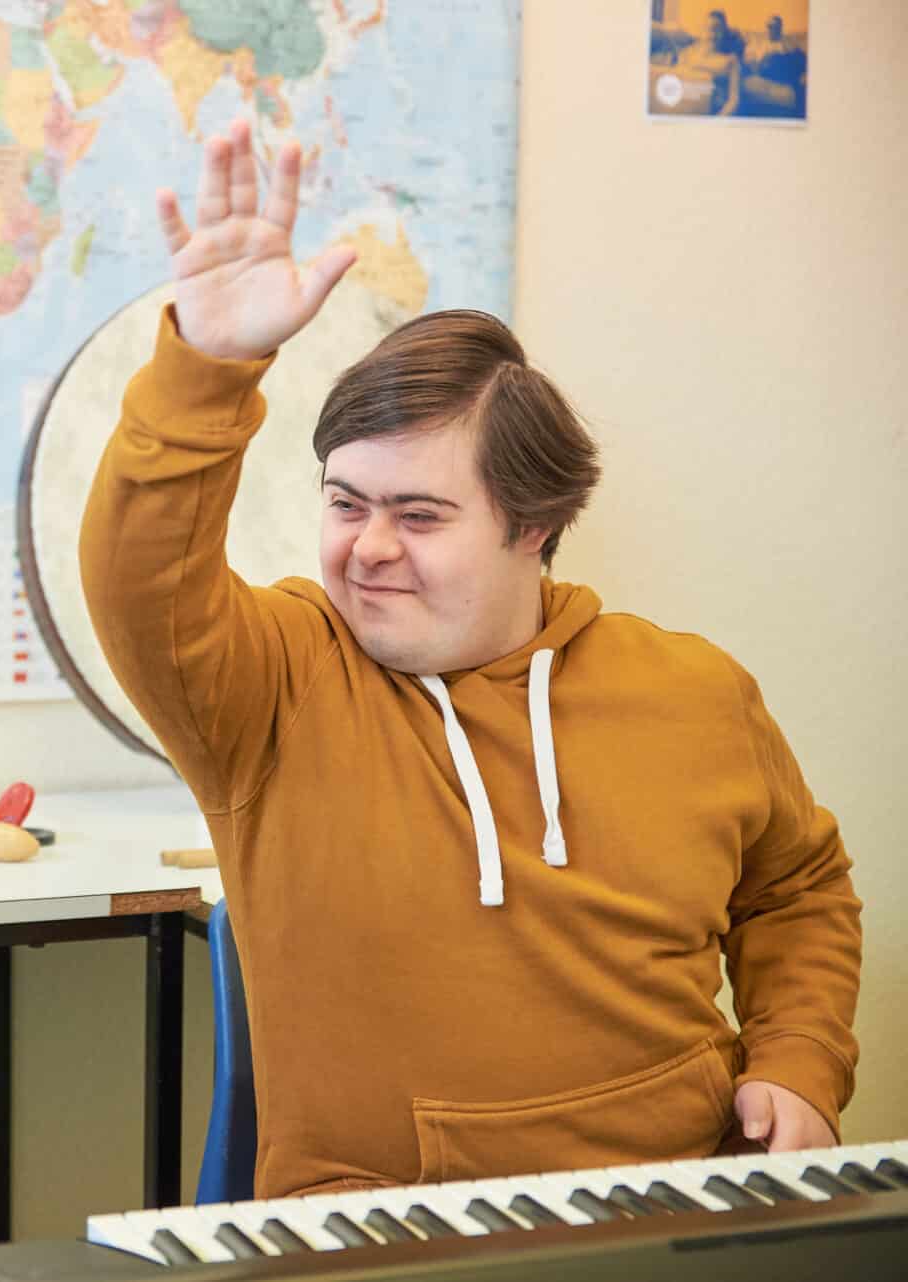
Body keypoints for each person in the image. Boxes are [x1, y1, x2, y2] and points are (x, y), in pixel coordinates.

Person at [80, 120, 860, 1201]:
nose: (370, 546)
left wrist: (802, 1061)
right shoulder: (275, 687)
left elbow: (797, 886)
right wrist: (206, 370)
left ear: (533, 525)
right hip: (374, 1237)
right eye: (345, 503)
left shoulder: (695, 690)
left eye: (420, 512)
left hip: (679, 1219)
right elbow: (140, 583)